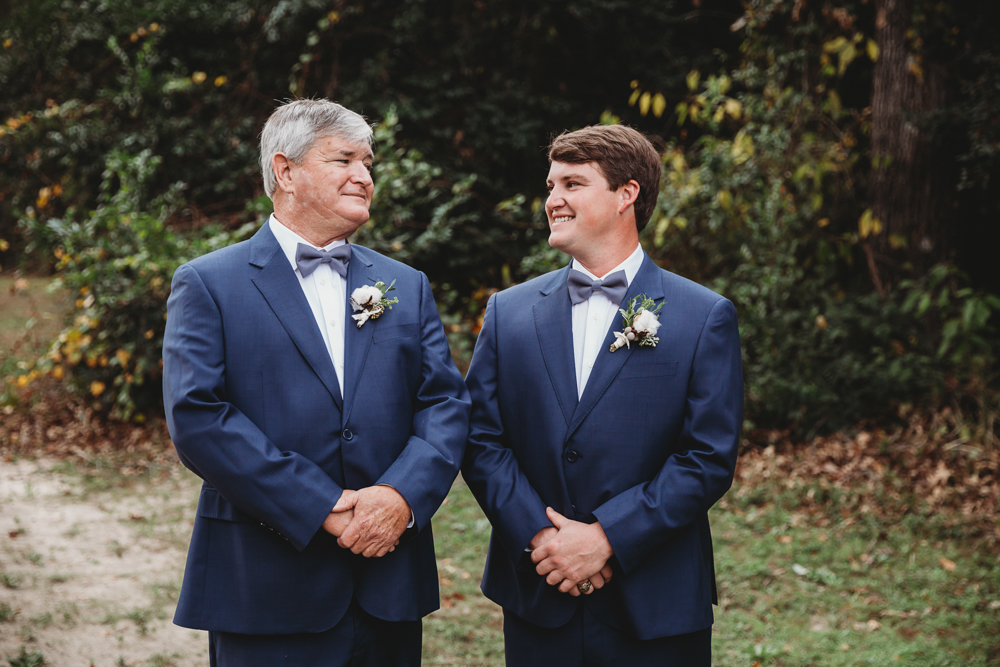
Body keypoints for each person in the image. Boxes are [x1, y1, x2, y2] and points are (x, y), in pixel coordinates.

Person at [162, 99, 471, 667]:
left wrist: (400, 497)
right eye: (344, 159)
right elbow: (198, 417)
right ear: (285, 171)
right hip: (264, 583)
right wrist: (323, 504)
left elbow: (445, 403)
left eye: (369, 163)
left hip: (388, 584)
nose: (365, 176)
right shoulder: (209, 284)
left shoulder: (407, 284)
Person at [461, 124, 743, 665]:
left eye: (572, 183)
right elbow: (480, 438)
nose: (553, 200)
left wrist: (607, 537)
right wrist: (544, 540)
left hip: (655, 599)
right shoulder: (509, 313)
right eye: (550, 186)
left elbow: (708, 457)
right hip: (539, 593)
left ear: (626, 194)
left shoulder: (703, 316)